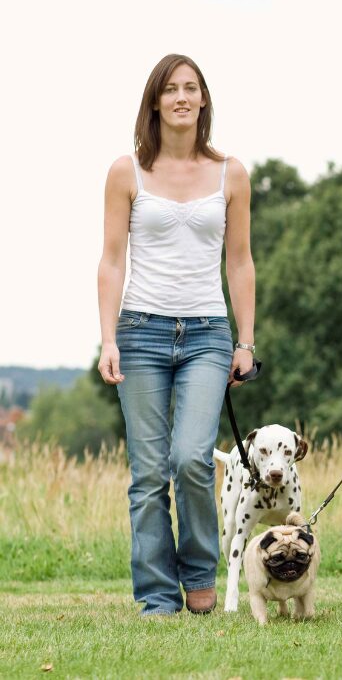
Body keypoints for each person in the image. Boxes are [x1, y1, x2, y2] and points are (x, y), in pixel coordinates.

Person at [97, 54, 256, 616]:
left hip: (209, 335)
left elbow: (240, 262)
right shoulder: (127, 172)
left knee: (190, 457)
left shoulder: (231, 172)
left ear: (204, 100)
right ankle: (157, 597)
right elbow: (112, 260)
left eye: (191, 88)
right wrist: (108, 337)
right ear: (156, 102)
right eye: (171, 89)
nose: (182, 97)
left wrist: (246, 341)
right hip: (139, 332)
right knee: (148, 472)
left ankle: (198, 570)